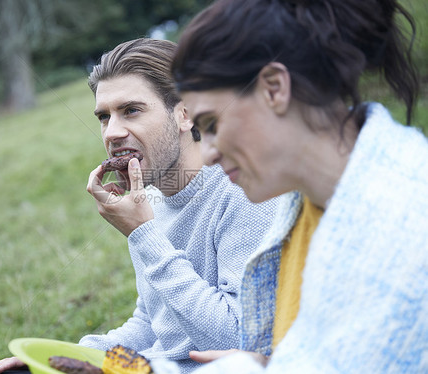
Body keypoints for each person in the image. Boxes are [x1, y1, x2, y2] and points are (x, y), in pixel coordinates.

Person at [0, 38, 278, 374]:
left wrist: (144, 234)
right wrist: (67, 356)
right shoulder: (150, 201)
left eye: (131, 110)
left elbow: (237, 341)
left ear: (185, 114)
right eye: (104, 117)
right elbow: (152, 324)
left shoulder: (244, 193)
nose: (113, 132)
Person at [166, 0, 428, 372]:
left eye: (211, 124)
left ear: (274, 88)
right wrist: (268, 361)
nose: (207, 153)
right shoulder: (305, 202)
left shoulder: (402, 225)